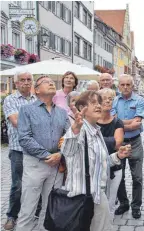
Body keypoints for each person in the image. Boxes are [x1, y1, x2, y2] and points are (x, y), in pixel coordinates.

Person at [61, 90, 130, 230]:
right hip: (82, 196)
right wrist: (74, 129)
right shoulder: (79, 130)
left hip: (97, 194)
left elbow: (101, 163)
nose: (98, 105)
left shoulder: (96, 131)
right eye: (93, 103)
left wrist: (117, 156)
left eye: (99, 102)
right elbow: (67, 151)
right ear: (82, 108)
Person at [16, 75, 70, 231]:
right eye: (47, 82)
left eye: (53, 82)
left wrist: (60, 154)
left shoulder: (61, 112)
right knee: (28, 207)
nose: (52, 83)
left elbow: (68, 137)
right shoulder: (27, 110)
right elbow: (24, 138)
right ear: (37, 90)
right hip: (35, 164)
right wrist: (47, 155)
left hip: (56, 165)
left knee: (51, 207)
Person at [2, 70, 37, 230]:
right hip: (19, 150)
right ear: (16, 83)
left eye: (29, 79)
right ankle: (12, 215)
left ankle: (36, 210)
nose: (26, 82)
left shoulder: (37, 99)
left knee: (37, 182)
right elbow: (16, 122)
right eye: (22, 80)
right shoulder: (10, 99)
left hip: (37, 149)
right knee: (18, 185)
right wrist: (38, 123)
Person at [111, 74, 144, 219]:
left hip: (135, 142)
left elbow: (137, 122)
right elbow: (113, 121)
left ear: (132, 86)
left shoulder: (139, 100)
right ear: (118, 86)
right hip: (119, 142)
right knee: (120, 176)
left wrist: (120, 123)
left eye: (128, 85)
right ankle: (123, 203)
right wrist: (129, 124)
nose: (125, 87)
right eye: (122, 85)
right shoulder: (114, 100)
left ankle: (136, 206)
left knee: (137, 177)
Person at [96, 88, 125, 216]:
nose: (108, 101)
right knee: (96, 203)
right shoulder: (91, 120)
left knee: (110, 203)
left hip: (114, 167)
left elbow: (118, 143)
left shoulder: (117, 122)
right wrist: (110, 140)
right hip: (95, 166)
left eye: (110, 98)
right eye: (104, 98)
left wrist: (96, 140)